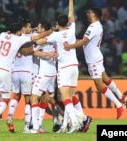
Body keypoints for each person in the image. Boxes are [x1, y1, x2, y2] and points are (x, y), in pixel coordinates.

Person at [64, 7, 127, 119]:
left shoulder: (93, 27)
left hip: (93, 59)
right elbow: (84, 41)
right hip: (97, 56)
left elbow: (84, 41)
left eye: (89, 13)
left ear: (94, 15)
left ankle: (118, 105)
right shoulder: (98, 25)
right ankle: (122, 96)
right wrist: (73, 42)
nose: (88, 14)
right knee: (106, 78)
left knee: (99, 85)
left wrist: (70, 46)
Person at [36, 0, 86, 133]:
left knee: (65, 98)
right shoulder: (72, 29)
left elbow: (40, 41)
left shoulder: (55, 35)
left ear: (57, 24)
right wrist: (71, 1)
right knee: (69, 96)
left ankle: (75, 122)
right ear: (68, 23)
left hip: (64, 68)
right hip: (75, 66)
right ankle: (65, 125)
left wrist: (44, 34)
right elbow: (71, 13)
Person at [6, 19, 33, 133]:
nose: (31, 28)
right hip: (26, 72)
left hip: (15, 71)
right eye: (29, 27)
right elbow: (26, 51)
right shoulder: (27, 38)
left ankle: (9, 118)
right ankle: (26, 127)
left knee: (16, 96)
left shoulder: (11, 37)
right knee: (28, 100)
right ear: (24, 28)